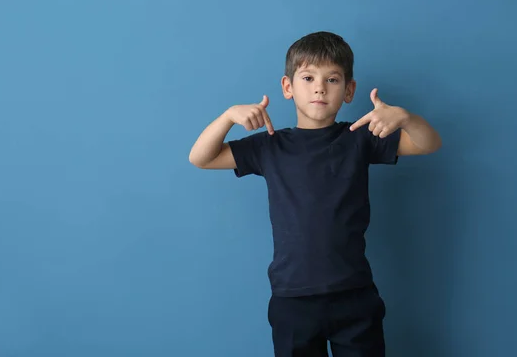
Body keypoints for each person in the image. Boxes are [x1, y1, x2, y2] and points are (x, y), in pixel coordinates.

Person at [189, 31, 441, 357]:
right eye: (308, 78)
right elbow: (201, 158)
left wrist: (406, 118)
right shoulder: (269, 146)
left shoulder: (359, 138)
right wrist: (226, 118)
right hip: (292, 299)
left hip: (354, 294)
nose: (320, 87)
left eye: (332, 79)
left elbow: (428, 143)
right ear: (288, 87)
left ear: (349, 91)